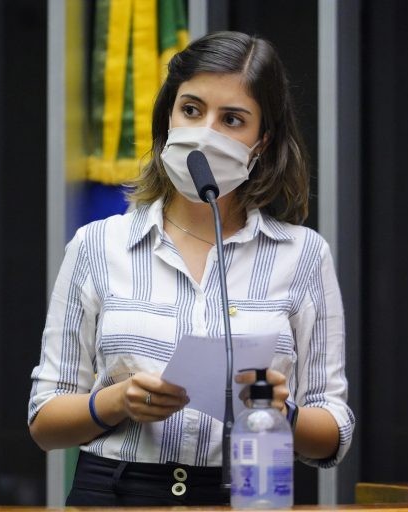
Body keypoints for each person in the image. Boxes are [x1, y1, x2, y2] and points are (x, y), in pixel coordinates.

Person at [28, 31, 354, 506]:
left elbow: (333, 432)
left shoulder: (304, 255)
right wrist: (116, 402)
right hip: (115, 490)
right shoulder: (97, 244)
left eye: (233, 119)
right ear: (168, 117)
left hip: (247, 491)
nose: (206, 133)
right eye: (192, 110)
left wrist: (280, 412)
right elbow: (44, 421)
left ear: (262, 140)